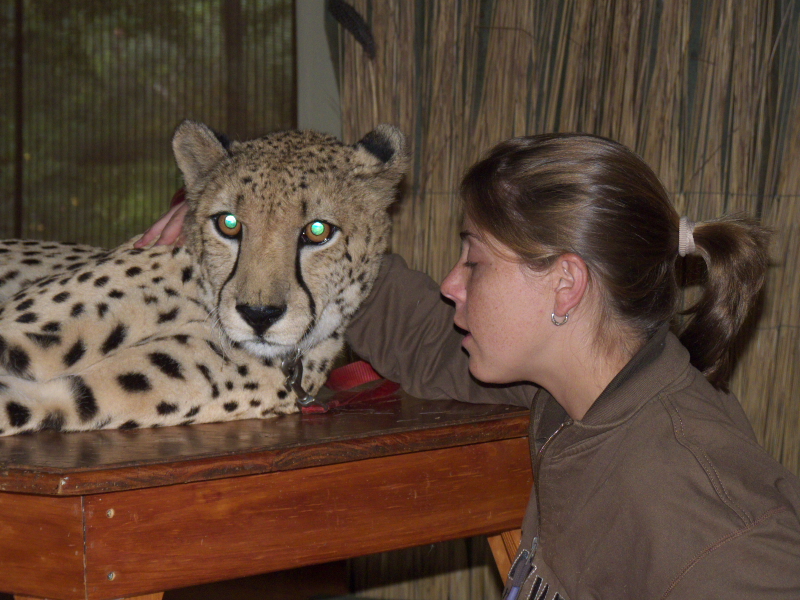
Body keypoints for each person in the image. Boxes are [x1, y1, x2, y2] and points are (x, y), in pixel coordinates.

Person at [138, 133, 800, 599]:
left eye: (475, 261)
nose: (452, 283)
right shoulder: (569, 391)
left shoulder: (703, 508)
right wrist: (250, 227)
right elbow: (427, 342)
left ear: (565, 286)